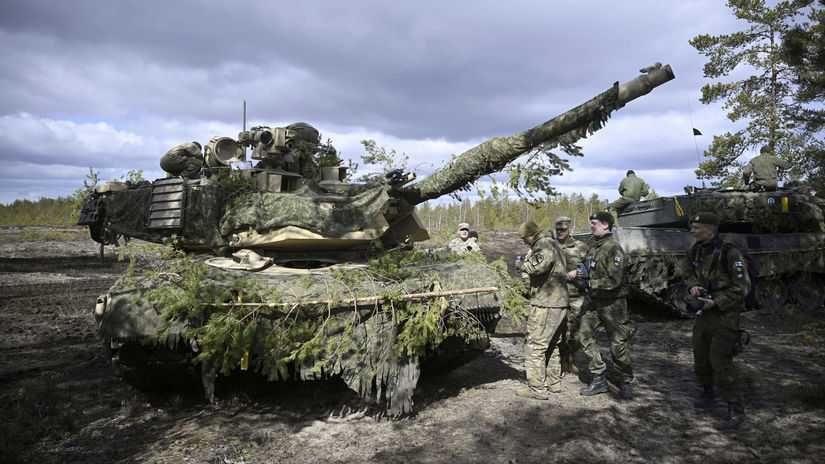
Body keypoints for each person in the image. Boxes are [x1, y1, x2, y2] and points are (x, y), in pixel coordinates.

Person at [685, 212, 750, 430]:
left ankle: (736, 411)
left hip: (725, 314)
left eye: (696, 228)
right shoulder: (695, 250)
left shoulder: (730, 253)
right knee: (701, 353)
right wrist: (693, 286)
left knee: (720, 359)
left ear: (710, 229)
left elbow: (742, 287)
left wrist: (717, 301)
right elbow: (688, 274)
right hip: (705, 313)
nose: (692, 231)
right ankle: (707, 392)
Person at [577, 211, 635, 399]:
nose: (591, 226)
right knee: (585, 336)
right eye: (591, 223)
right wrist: (583, 276)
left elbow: (613, 281)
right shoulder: (594, 248)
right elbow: (593, 272)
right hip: (594, 302)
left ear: (606, 225)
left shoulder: (614, 249)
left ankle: (624, 381)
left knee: (618, 344)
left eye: (594, 223)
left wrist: (589, 284)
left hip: (613, 304)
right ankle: (599, 378)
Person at [514, 220, 569, 400]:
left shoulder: (543, 245)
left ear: (530, 235)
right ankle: (553, 383)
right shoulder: (553, 243)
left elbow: (539, 266)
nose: (524, 242)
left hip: (546, 303)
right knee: (552, 344)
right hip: (558, 302)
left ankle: (537, 388)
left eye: (524, 238)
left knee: (534, 346)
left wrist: (521, 265)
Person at [553, 216, 589, 377]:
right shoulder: (550, 246)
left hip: (576, 296)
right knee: (557, 332)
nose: (560, 232)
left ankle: (570, 356)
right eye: (558, 229)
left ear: (570, 229)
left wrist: (579, 271)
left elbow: (592, 267)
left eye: (563, 229)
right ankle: (561, 362)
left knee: (578, 333)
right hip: (555, 296)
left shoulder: (581, 247)